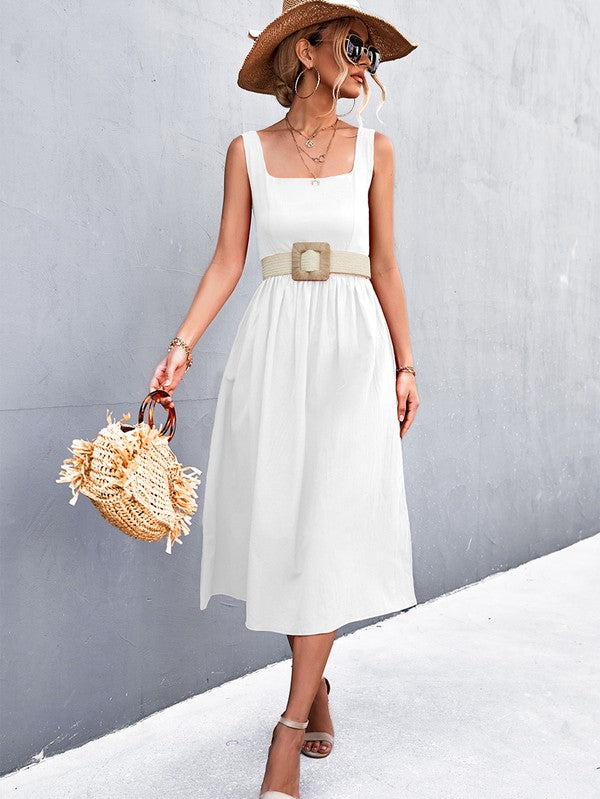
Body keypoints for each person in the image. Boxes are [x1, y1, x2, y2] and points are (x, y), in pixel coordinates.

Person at [149, 2, 420, 796]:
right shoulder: (247, 152)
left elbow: (388, 266)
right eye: (351, 43)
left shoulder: (377, 150)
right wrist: (182, 346)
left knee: (330, 526)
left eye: (373, 51)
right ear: (305, 50)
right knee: (287, 529)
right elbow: (229, 259)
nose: (365, 60)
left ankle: (290, 724)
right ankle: (319, 681)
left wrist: (406, 364)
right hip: (274, 349)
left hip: (352, 353)